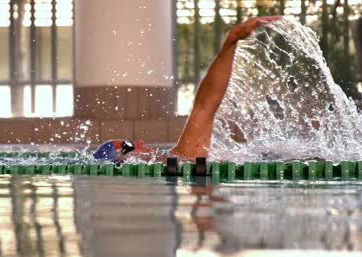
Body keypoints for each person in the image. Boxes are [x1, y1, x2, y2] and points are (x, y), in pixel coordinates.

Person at [93, 16, 282, 163]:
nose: (139, 142)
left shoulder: (182, 161)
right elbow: (205, 104)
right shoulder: (185, 157)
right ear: (124, 159)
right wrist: (231, 41)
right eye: (127, 146)